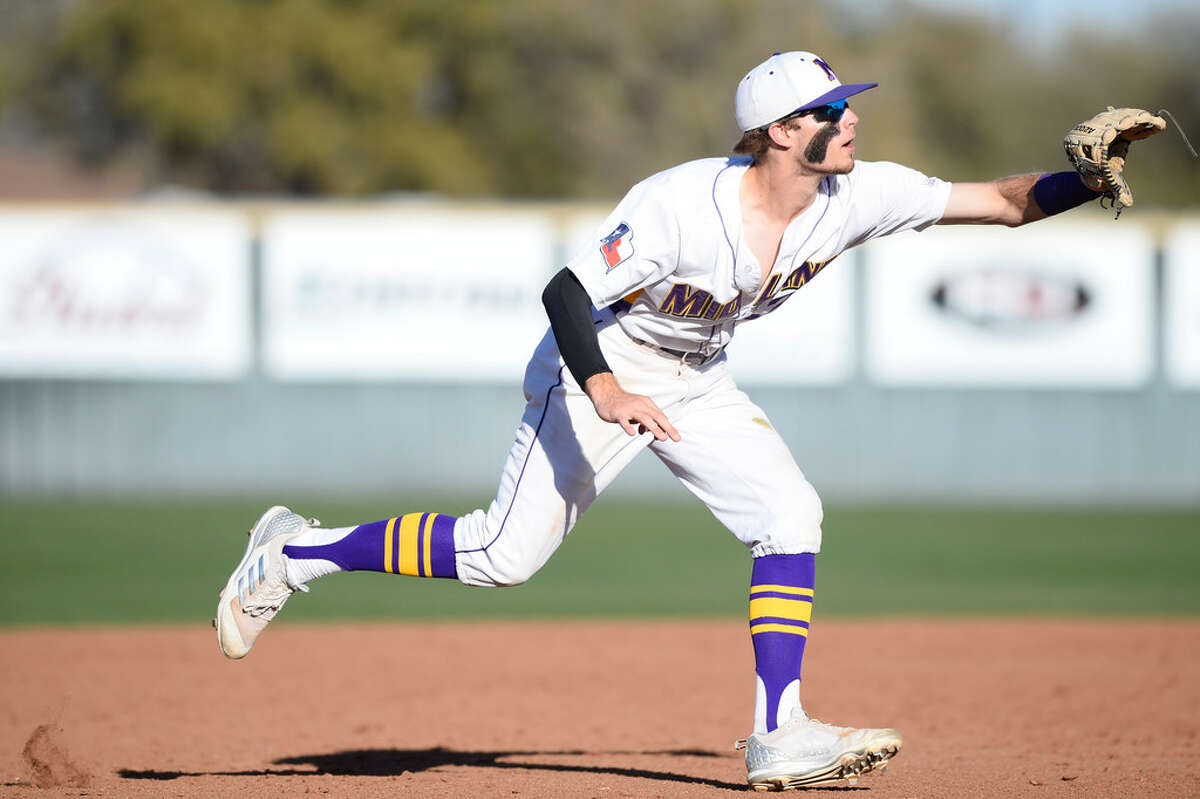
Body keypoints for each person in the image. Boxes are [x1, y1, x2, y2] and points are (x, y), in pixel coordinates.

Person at [215, 51, 1153, 790]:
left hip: (697, 381)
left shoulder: (855, 195)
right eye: (833, 111)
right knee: (500, 555)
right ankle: (294, 553)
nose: (851, 118)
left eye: (847, 103)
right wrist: (604, 390)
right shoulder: (679, 205)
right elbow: (566, 289)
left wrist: (1087, 179)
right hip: (599, 371)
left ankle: (779, 731)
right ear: (782, 132)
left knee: (791, 514)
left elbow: (999, 201)